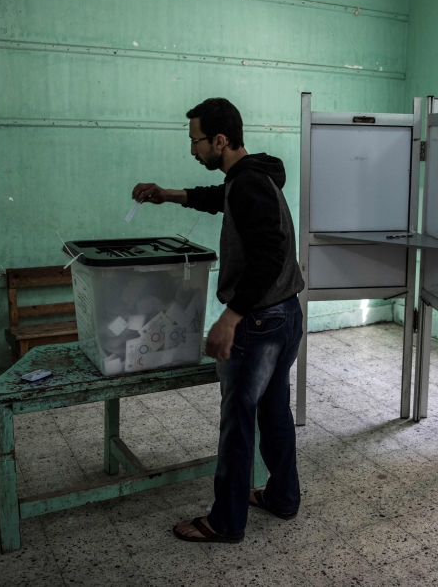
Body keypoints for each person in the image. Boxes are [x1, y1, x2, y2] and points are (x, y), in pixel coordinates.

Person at [131, 97, 305, 543]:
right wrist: (169, 194)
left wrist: (230, 317)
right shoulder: (254, 174)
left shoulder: (246, 185)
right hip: (285, 315)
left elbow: (269, 255)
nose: (193, 149)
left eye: (197, 141)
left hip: (258, 322)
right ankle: (282, 497)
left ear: (220, 140)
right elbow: (220, 199)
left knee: (238, 422)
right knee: (273, 409)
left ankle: (225, 522)